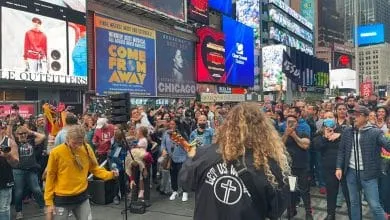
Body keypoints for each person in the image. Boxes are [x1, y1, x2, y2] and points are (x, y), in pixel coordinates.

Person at [179, 102, 289, 220]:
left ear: (227, 126)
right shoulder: (268, 165)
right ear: (263, 130)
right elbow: (276, 209)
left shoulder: (203, 154)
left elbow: (185, 182)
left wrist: (191, 157)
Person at [45, 125, 118, 220]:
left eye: (80, 143)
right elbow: (50, 177)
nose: (77, 146)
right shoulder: (56, 153)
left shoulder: (86, 148)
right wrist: (49, 202)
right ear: (67, 139)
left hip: (82, 197)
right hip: (61, 199)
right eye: (74, 143)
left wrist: (110, 174)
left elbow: (95, 168)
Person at [336, 105, 390, 220]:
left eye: (357, 115)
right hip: (350, 172)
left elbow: (387, 145)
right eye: (352, 114)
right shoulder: (348, 131)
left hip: (369, 174)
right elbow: (342, 150)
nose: (354, 117)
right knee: (354, 203)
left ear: (366, 117)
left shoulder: (375, 132)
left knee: (375, 205)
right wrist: (338, 167)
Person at [313, 111, 351, 220]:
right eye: (325, 118)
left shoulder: (344, 131)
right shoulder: (319, 133)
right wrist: (325, 137)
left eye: (330, 117)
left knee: (348, 192)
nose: (328, 119)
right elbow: (317, 146)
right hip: (328, 167)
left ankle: (353, 214)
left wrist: (340, 135)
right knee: (331, 192)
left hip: (344, 167)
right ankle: (331, 214)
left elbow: (350, 143)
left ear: (335, 118)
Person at [282, 113, 313, 220]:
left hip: (303, 168)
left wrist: (294, 135)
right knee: (292, 190)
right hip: (290, 169)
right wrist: (286, 134)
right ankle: (291, 210)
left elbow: (305, 145)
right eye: (288, 122)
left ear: (297, 123)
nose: (291, 124)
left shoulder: (303, 133)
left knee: (305, 191)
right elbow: (280, 146)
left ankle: (309, 212)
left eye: (293, 122)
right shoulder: (283, 134)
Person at [13, 125, 46, 219]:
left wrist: (29, 131)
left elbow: (42, 137)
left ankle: (42, 206)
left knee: (37, 189)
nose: (23, 135)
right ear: (17, 135)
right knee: (18, 192)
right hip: (18, 170)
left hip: (31, 170)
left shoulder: (31, 142)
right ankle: (19, 211)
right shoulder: (14, 143)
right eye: (21, 134)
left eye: (24, 133)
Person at [161, 119, 189, 202]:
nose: (171, 126)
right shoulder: (166, 133)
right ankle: (175, 190)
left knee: (182, 176)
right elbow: (163, 144)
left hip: (182, 157)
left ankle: (185, 191)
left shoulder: (182, 133)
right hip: (171, 158)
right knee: (173, 175)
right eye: (170, 124)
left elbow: (187, 146)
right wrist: (163, 150)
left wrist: (178, 139)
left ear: (177, 125)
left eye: (173, 124)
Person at [0, 120, 19, 220]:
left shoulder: (9, 142)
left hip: (5, 181)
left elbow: (16, 164)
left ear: (2, 128)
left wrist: (8, 156)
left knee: (3, 209)